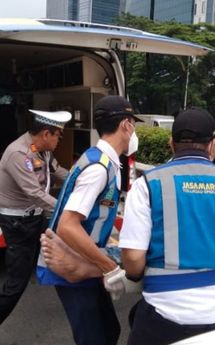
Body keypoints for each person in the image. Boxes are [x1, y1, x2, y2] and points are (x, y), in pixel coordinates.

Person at [118, 107, 215, 345]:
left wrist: (135, 277)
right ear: (212, 145)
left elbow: (133, 257)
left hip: (165, 315)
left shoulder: (148, 184)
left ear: (171, 144)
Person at [37, 95, 142, 345]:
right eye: (133, 125)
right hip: (70, 261)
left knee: (108, 332)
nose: (134, 132)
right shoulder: (98, 168)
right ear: (126, 125)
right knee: (94, 339)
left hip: (85, 257)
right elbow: (68, 224)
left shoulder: (99, 158)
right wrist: (110, 267)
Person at [0, 109, 71, 324]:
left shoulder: (43, 151)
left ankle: (73, 297)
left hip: (35, 217)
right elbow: (35, 193)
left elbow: (58, 172)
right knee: (16, 283)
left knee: (59, 255)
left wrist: (81, 181)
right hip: (18, 223)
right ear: (46, 133)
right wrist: (68, 208)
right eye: (58, 135)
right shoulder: (19, 154)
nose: (60, 140)